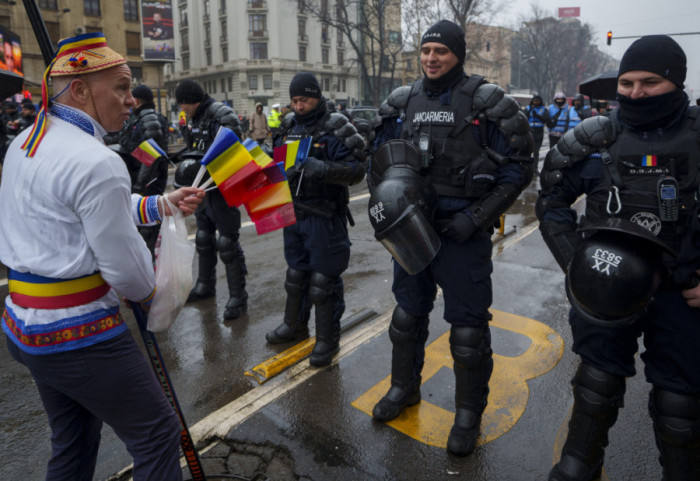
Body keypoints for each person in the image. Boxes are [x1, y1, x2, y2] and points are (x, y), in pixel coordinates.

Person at [0, 32, 204, 481]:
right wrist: (159, 293)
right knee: (157, 434)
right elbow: (129, 276)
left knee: (73, 441)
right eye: (122, 87)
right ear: (80, 89)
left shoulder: (26, 143)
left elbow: (75, 209)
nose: (131, 100)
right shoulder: (96, 160)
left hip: (24, 325)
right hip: (78, 332)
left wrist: (161, 203)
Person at [537, 35, 700, 481]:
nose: (635, 93)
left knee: (679, 399)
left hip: (681, 295)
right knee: (596, 379)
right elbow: (550, 203)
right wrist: (579, 269)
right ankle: (579, 463)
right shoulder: (594, 138)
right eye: (626, 82)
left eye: (650, 82)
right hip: (607, 287)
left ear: (676, 81)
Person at [368, 20, 533, 456]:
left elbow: (519, 167)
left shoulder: (485, 101)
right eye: (425, 51)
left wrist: (477, 217)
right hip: (412, 229)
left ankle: (467, 414)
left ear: (457, 53)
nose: (430, 58)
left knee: (467, 331)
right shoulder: (403, 101)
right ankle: (404, 388)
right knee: (406, 317)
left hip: (462, 233)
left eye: (440, 50)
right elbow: (378, 161)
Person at [264, 72, 366, 367]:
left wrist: (322, 168)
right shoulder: (286, 126)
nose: (298, 106)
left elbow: (358, 169)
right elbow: (278, 166)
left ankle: (327, 339)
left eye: (304, 100)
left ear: (317, 97)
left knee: (324, 281)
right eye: (294, 100)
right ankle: (294, 325)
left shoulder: (336, 127)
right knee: (296, 274)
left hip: (325, 215)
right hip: (293, 212)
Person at [176, 79, 249, 320]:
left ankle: (238, 297)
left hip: (222, 188)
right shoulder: (196, 117)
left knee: (227, 242)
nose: (182, 110)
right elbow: (196, 146)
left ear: (190, 101)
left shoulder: (221, 114)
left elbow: (232, 148)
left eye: (182, 104)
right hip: (202, 188)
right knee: (204, 238)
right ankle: (205, 286)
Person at [112, 84, 170, 259]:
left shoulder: (148, 119)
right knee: (140, 234)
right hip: (141, 182)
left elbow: (151, 155)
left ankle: (149, 279)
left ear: (136, 100)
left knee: (147, 236)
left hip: (146, 184)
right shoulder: (138, 119)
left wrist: (139, 186)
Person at [525, 94, 548, 161]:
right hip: (530, 131)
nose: (536, 102)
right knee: (528, 150)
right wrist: (530, 110)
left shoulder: (543, 109)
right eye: (535, 101)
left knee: (536, 151)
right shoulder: (528, 108)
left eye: (538, 101)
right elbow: (524, 117)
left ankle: (535, 168)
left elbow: (545, 119)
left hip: (539, 131)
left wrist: (537, 115)